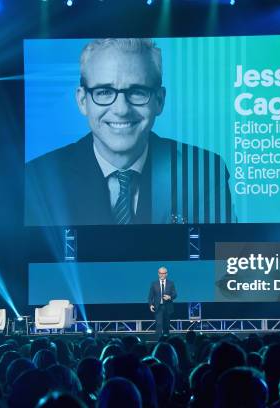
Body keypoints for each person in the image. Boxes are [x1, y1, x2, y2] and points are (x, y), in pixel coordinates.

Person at [25, 38, 231, 226]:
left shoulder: (203, 171)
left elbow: (226, 260)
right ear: (82, 101)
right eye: (104, 92)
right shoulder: (38, 179)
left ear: (159, 100)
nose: (121, 109)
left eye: (137, 91)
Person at [148, 266, 177, 336]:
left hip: (168, 307)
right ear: (158, 274)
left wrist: (170, 297)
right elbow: (150, 296)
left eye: (163, 273)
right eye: (160, 273)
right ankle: (159, 342)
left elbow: (175, 294)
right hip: (158, 307)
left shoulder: (171, 283)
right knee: (159, 324)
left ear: (166, 274)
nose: (162, 275)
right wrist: (151, 305)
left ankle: (166, 342)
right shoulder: (154, 283)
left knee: (166, 326)